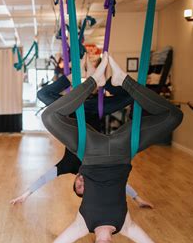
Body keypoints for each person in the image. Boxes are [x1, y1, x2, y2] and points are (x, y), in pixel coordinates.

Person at [5, 54, 193, 243]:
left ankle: (94, 80)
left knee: (49, 116)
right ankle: (123, 80)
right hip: (122, 150)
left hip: (91, 151)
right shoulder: (125, 226)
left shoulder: (81, 225)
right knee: (174, 115)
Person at [11, 55, 153, 208]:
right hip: (95, 110)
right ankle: (103, 83)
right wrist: (138, 199)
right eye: (84, 187)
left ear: (74, 181)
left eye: (78, 186)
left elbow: (44, 179)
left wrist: (25, 195)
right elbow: (119, 183)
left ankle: (72, 76)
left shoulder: (67, 166)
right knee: (132, 96)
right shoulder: (97, 170)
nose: (81, 183)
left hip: (73, 108)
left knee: (42, 95)